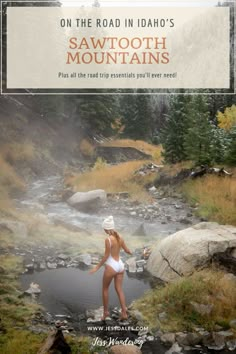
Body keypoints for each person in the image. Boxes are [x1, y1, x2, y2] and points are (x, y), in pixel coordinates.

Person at [89, 215, 132, 321]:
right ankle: (124, 312)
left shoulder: (108, 240)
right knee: (119, 289)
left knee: (105, 289)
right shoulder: (120, 237)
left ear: (106, 229)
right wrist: (133, 253)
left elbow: (106, 256)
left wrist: (97, 267)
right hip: (120, 265)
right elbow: (127, 251)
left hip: (111, 266)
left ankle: (105, 313)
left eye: (104, 228)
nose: (103, 230)